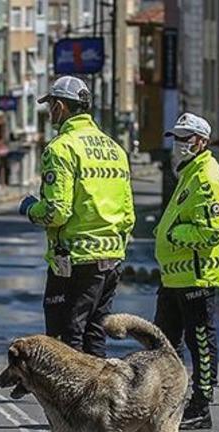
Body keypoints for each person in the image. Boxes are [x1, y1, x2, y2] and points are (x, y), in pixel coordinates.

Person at [18, 76, 135, 358]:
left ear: (60, 107)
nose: (50, 114)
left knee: (65, 340)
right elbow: (128, 215)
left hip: (73, 262)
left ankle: (73, 400)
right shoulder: (115, 150)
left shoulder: (61, 149)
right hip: (111, 261)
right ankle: (100, 399)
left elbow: (56, 212)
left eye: (51, 108)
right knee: (95, 334)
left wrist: (30, 209)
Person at [154, 113, 219, 430]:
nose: (178, 144)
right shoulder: (189, 174)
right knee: (163, 341)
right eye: (176, 138)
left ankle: (201, 406)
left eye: (185, 138)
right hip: (174, 277)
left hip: (196, 276)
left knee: (199, 340)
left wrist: (172, 235)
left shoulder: (208, 178)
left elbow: (211, 232)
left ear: (201, 141)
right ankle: (164, 401)